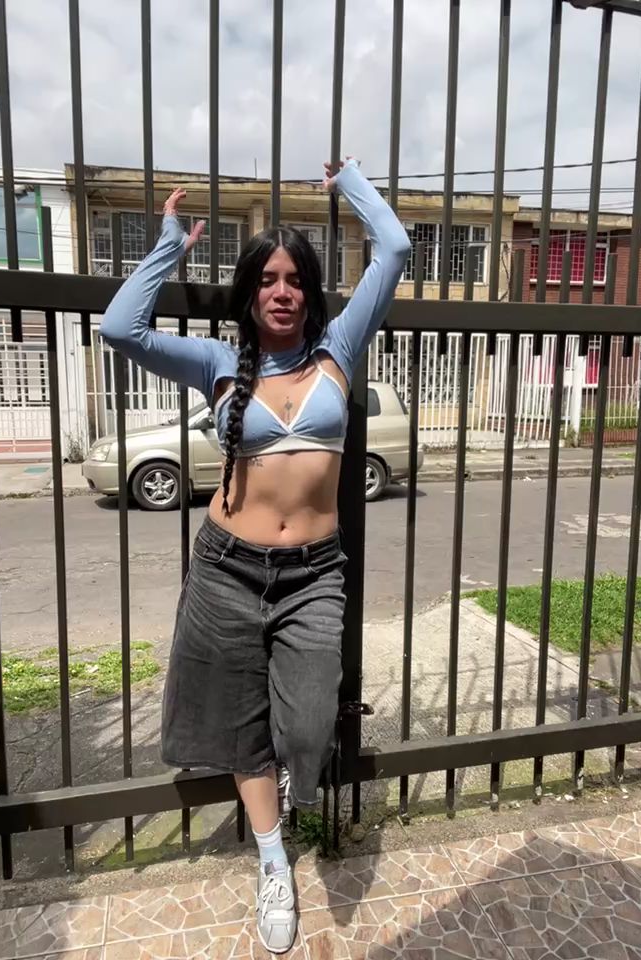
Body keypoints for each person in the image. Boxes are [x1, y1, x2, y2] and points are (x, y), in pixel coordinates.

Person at [99, 157, 409, 953]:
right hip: (227, 569)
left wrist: (351, 186)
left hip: (313, 575)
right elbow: (120, 329)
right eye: (268, 278)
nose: (282, 291)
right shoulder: (216, 364)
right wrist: (168, 246)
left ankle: (294, 797)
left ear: (310, 292)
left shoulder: (339, 348)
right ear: (250, 292)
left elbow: (397, 249)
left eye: (295, 279)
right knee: (240, 726)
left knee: (307, 721)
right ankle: (273, 861)